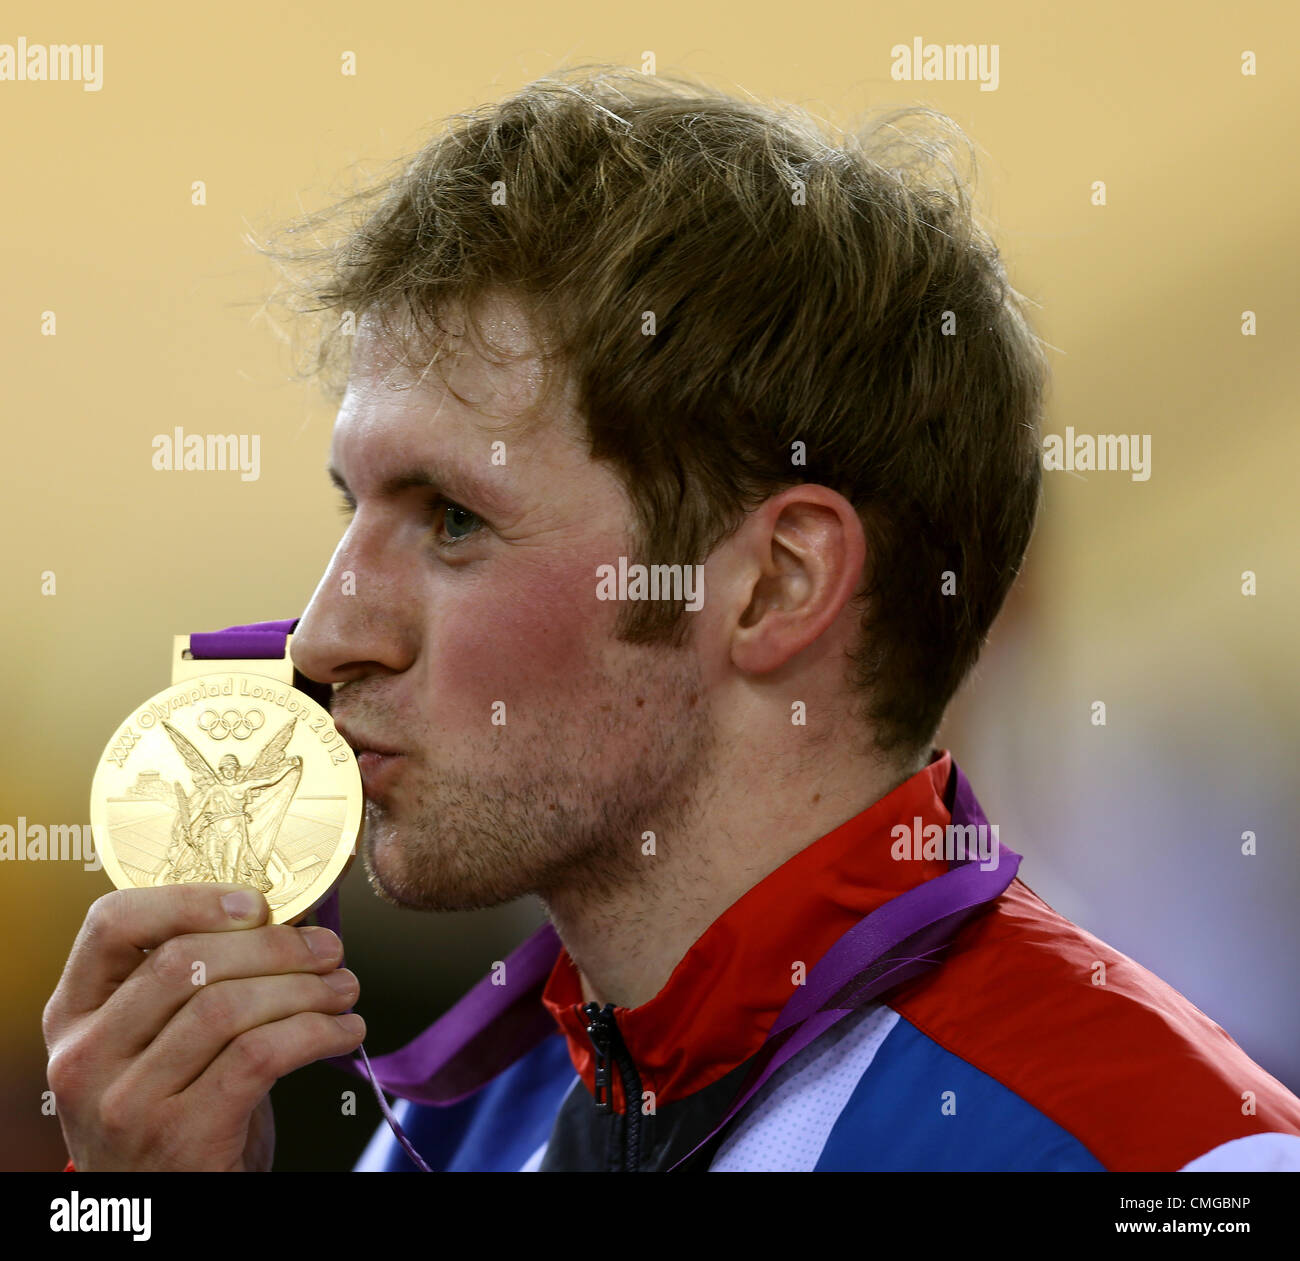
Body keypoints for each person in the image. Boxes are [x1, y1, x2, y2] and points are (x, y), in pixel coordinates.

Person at [45, 65, 1300, 1172]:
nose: (322, 641)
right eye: (354, 510)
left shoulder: (1174, 1157)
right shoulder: (454, 1126)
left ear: (774, 585)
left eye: (454, 520)